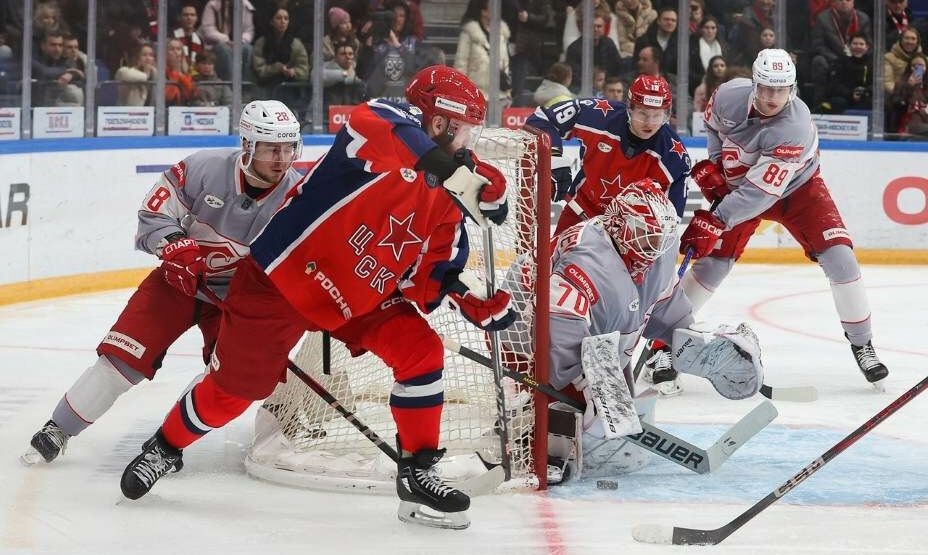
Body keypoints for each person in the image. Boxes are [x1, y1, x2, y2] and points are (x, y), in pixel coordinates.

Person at [118, 66, 512, 531]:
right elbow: (378, 124)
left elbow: (431, 275)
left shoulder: (447, 193)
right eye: (463, 129)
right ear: (438, 120)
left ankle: (416, 475)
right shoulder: (386, 123)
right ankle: (165, 446)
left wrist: (467, 299)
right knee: (232, 395)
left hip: (358, 296)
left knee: (421, 353)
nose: (469, 142)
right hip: (281, 280)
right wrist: (462, 180)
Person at [21, 100, 307, 467]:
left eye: (288, 148)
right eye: (271, 148)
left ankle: (165, 444)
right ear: (248, 145)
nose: (282, 159)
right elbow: (155, 211)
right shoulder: (203, 168)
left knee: (223, 380)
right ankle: (58, 428)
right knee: (121, 360)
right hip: (178, 285)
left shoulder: (299, 197)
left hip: (241, 300)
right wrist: (173, 243)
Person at [500, 178, 764, 478]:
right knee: (570, 404)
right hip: (524, 334)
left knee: (609, 409)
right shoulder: (586, 259)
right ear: (619, 225)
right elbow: (557, 328)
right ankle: (532, 432)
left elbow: (660, 304)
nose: (654, 247)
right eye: (646, 236)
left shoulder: (655, 252)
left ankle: (569, 418)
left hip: (592, 335)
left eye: (660, 238)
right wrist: (581, 384)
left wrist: (690, 341)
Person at [677, 48, 889, 388]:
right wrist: (717, 164)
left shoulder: (795, 127)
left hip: (798, 190)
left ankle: (862, 343)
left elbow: (760, 195)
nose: (772, 97)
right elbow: (713, 126)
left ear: (792, 89)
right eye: (765, 88)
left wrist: (717, 218)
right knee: (712, 263)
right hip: (743, 186)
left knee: (842, 259)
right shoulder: (729, 94)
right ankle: (665, 343)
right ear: (754, 83)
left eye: (781, 90)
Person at [525, 74, 690, 237]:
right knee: (557, 262)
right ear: (630, 108)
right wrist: (552, 157)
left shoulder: (674, 156)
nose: (649, 123)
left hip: (630, 231)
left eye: (657, 115)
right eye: (642, 113)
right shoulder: (598, 115)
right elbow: (541, 119)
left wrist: (652, 234)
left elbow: (669, 224)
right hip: (581, 211)